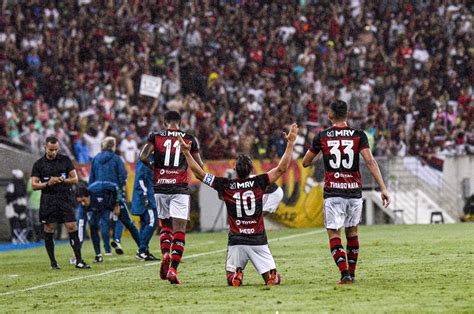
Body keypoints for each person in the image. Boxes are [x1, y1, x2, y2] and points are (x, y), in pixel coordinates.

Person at [177, 123, 299, 287]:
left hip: (236, 240)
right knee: (273, 279)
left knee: (230, 278)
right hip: (257, 239)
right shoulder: (259, 181)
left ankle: (237, 273)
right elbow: (282, 168)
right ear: (251, 169)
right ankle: (269, 275)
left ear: (235, 170)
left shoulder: (225, 185)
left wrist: (186, 152)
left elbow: (199, 174)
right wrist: (290, 143)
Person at [302, 100, 390, 284]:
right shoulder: (359, 135)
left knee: (334, 234)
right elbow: (370, 161)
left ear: (330, 115)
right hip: (353, 192)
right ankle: (352, 272)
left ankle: (344, 274)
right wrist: (383, 188)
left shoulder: (322, 136)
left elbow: (305, 162)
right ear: (347, 115)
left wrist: (322, 151)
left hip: (333, 192)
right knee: (352, 233)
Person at [139, 110, 204, 284]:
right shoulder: (189, 138)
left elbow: (143, 156)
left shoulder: (155, 136)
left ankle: (165, 253)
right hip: (180, 187)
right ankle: (173, 270)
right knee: (180, 230)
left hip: (161, 187)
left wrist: (155, 168)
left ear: (164, 122)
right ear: (180, 123)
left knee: (165, 225)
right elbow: (200, 165)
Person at [30, 136, 90, 269]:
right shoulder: (38, 164)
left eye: (56, 149)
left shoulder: (65, 160)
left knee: (71, 227)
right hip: (48, 199)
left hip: (65, 198)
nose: (53, 152)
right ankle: (53, 262)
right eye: (51, 149)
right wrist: (48, 183)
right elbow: (34, 185)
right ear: (45, 147)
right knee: (49, 229)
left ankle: (79, 261)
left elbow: (74, 179)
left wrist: (62, 180)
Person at [89, 136, 141, 255]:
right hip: (114, 193)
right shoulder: (117, 158)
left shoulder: (96, 158)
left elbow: (91, 178)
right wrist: (120, 191)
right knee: (125, 220)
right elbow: (123, 176)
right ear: (113, 146)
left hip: (98, 194)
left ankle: (107, 250)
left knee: (104, 221)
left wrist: (93, 193)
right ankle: (137, 246)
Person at [75, 182, 121, 263]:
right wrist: (76, 252)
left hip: (108, 205)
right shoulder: (82, 208)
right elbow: (80, 231)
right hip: (97, 210)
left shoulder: (97, 188)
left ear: (88, 196)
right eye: (80, 202)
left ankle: (142, 250)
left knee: (128, 223)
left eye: (83, 200)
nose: (83, 203)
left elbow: (115, 186)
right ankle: (98, 255)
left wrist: (116, 204)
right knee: (92, 226)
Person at [131, 159, 158, 261]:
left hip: (149, 196)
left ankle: (144, 251)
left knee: (145, 224)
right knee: (152, 222)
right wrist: (144, 196)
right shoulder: (145, 160)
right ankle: (142, 250)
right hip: (148, 199)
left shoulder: (148, 159)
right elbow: (140, 179)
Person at [5, 169, 29, 244]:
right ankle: (23, 237)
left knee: (13, 221)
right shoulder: (24, 185)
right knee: (22, 220)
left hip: (14, 205)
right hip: (23, 205)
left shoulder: (12, 184)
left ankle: (15, 238)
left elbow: (9, 195)